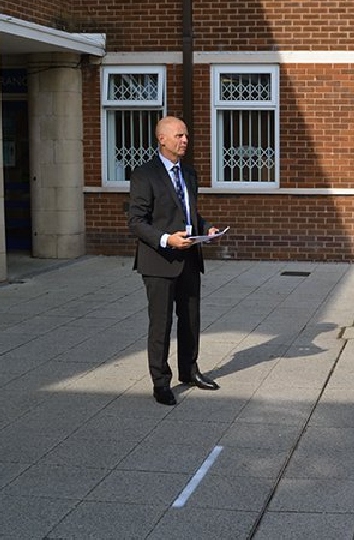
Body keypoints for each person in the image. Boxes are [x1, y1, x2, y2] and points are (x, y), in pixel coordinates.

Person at [128, 115, 220, 406]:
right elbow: (137, 221)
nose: (185, 141)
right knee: (161, 324)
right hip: (159, 261)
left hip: (190, 258)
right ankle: (161, 382)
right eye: (179, 135)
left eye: (186, 135)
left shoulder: (189, 174)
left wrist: (205, 229)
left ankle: (189, 371)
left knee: (191, 319)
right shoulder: (144, 175)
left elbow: (189, 213)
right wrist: (168, 239)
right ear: (162, 139)